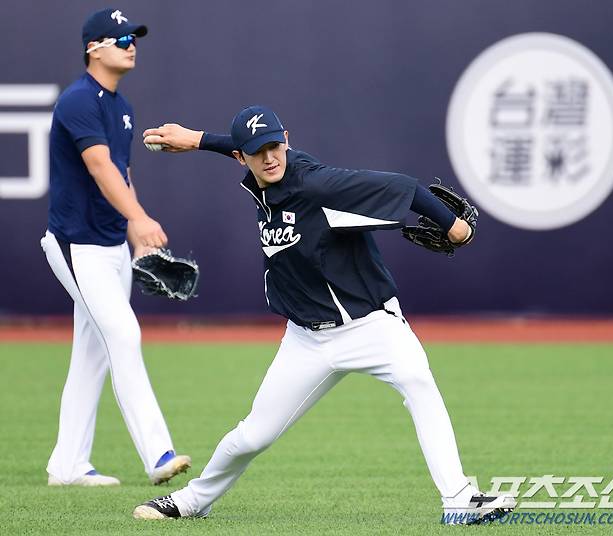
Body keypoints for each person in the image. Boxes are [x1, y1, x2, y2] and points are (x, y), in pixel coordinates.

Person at [133, 106, 515, 523]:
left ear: (287, 140)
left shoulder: (318, 184)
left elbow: (406, 187)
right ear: (242, 158)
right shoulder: (261, 175)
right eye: (256, 152)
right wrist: (199, 139)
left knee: (418, 381)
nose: (270, 157)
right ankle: (191, 502)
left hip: (371, 325)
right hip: (306, 340)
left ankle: (459, 498)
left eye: (275, 145)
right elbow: (244, 147)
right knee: (252, 436)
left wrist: (456, 226)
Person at [40, 7, 191, 487]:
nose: (131, 44)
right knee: (123, 335)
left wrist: (134, 233)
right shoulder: (78, 101)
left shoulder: (121, 107)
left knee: (93, 351)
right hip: (75, 245)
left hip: (110, 245)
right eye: (121, 37)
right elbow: (99, 166)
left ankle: (67, 464)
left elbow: (122, 174)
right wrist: (141, 218)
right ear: (93, 47)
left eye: (134, 37)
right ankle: (158, 453)